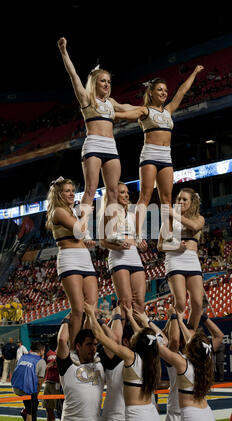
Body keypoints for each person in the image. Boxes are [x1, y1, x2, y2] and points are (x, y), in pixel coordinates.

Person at [57, 37, 138, 243]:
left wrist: (150, 110)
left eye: (109, 81)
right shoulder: (87, 99)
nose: (107, 84)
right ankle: (82, 228)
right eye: (103, 80)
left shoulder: (110, 102)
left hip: (111, 147)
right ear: (95, 82)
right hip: (93, 144)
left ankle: (112, 231)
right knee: (91, 188)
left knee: (112, 191)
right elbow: (73, 75)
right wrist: (64, 51)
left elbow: (129, 108)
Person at [114, 66, 204, 242]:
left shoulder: (168, 110)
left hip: (166, 156)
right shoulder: (145, 110)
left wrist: (194, 73)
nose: (164, 93)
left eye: (165, 90)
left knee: (167, 199)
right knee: (145, 196)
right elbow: (127, 113)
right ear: (151, 92)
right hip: (149, 155)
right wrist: (110, 113)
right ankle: (137, 233)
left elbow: (182, 91)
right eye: (159, 90)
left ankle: (168, 233)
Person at [85, 302, 162, 421]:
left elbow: (100, 336)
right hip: (152, 418)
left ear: (137, 341)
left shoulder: (130, 357)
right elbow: (147, 338)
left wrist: (91, 315)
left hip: (137, 419)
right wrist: (139, 321)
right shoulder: (153, 360)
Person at [45, 176, 98, 357]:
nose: (71, 193)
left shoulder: (72, 211)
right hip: (69, 259)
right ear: (59, 194)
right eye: (67, 191)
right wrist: (86, 214)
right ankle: (75, 351)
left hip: (84, 258)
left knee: (91, 306)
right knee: (77, 308)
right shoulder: (58, 212)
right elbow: (78, 230)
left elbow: (81, 234)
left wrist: (87, 241)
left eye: (72, 190)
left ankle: (87, 346)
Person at [156, 312, 223, 421]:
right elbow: (192, 342)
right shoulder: (206, 360)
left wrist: (151, 323)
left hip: (192, 419)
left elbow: (159, 346)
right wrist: (180, 321)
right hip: (208, 417)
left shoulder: (182, 363)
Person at [158, 188, 205, 331]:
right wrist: (175, 248)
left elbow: (195, 226)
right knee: (180, 304)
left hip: (192, 260)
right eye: (179, 199)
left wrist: (174, 213)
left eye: (185, 199)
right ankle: (170, 336)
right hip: (174, 259)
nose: (181, 201)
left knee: (198, 304)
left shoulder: (199, 218)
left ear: (193, 202)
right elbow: (160, 246)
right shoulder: (169, 220)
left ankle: (189, 335)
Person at [56, 314, 105, 421]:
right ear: (78, 346)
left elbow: (114, 340)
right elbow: (61, 340)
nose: (93, 348)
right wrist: (67, 319)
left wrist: (97, 320)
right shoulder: (68, 366)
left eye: (95, 345)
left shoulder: (100, 364)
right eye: (89, 344)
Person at [100, 182, 147, 315]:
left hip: (135, 258)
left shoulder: (133, 216)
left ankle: (137, 335)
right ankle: (118, 334)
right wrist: (117, 245)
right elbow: (103, 241)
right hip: (118, 258)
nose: (126, 195)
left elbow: (138, 239)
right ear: (114, 195)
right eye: (122, 192)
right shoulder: (107, 214)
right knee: (126, 302)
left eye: (127, 192)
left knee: (139, 303)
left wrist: (142, 245)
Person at [11, 341, 46, 421]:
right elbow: (39, 382)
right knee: (32, 413)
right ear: (41, 350)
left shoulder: (23, 357)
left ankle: (26, 410)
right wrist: (36, 395)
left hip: (16, 386)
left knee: (29, 406)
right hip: (27, 390)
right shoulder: (41, 361)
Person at [40, 334, 60, 421]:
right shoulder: (48, 353)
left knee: (61, 410)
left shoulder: (62, 351)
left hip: (57, 383)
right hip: (48, 382)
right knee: (48, 409)